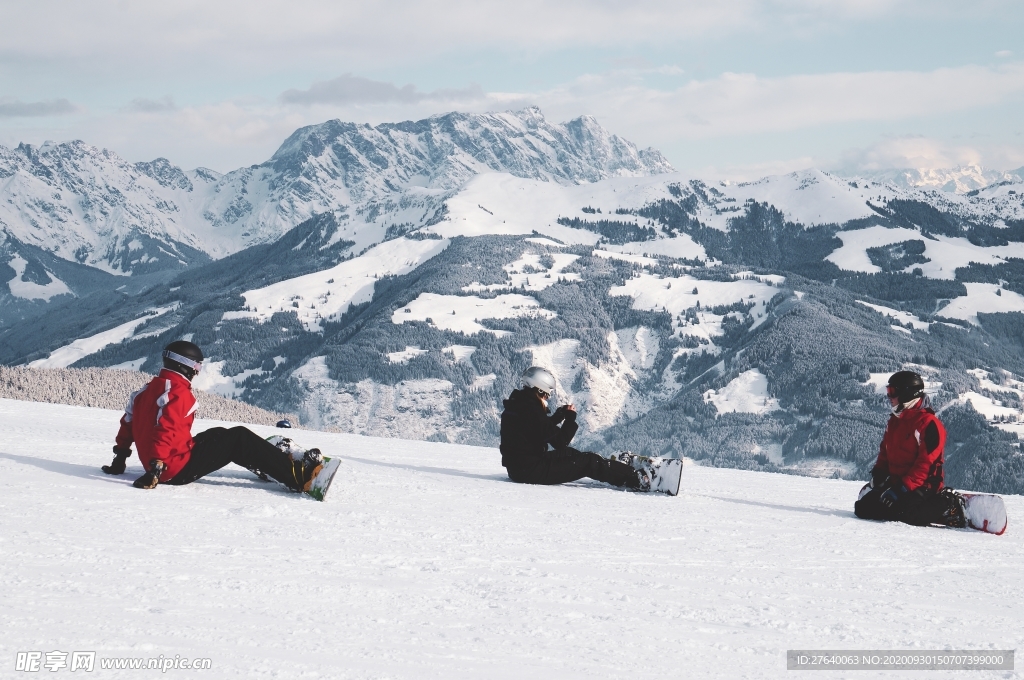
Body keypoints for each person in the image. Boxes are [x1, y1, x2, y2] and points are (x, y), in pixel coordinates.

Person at [101, 340, 323, 492]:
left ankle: (266, 464)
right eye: (197, 365)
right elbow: (165, 431)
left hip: (165, 461)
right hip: (172, 469)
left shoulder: (146, 391)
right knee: (239, 438)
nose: (198, 370)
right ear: (185, 365)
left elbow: (127, 424)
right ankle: (299, 477)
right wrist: (156, 468)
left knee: (219, 435)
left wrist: (120, 459)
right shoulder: (178, 394)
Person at [500, 366, 644, 490]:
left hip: (519, 467)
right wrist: (570, 418)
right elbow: (560, 442)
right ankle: (638, 479)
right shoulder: (532, 410)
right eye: (546, 394)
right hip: (530, 470)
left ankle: (619, 470)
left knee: (572, 454)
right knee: (588, 462)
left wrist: (558, 416)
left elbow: (536, 430)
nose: (547, 398)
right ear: (539, 390)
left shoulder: (518, 405)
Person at [854, 370, 965, 527]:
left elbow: (926, 464)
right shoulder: (895, 421)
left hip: (923, 484)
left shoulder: (929, 424)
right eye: (888, 392)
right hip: (897, 482)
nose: (889, 397)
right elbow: (885, 451)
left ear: (907, 393)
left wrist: (902, 488)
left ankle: (949, 504)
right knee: (863, 509)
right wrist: (880, 473)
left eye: (892, 392)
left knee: (906, 515)